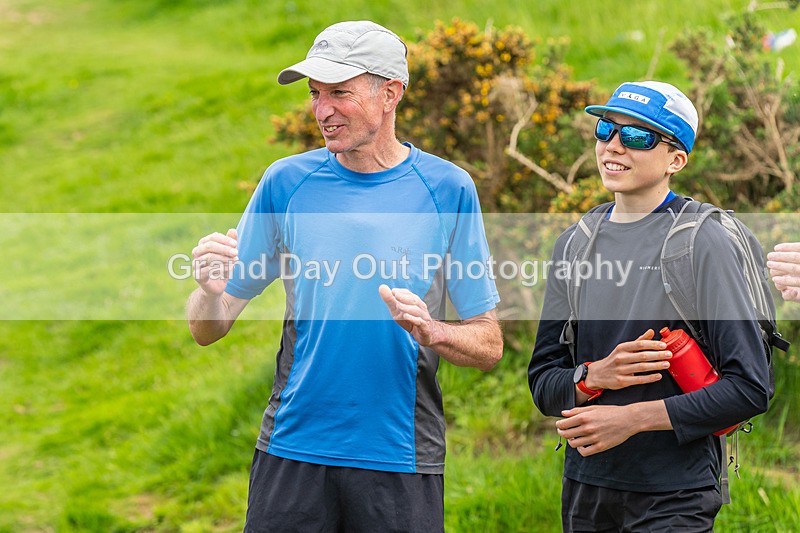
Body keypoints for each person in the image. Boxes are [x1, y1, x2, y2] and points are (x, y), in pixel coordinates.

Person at [186, 20, 502, 533]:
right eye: (315, 94)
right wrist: (207, 291)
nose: (322, 110)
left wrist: (433, 331)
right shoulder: (286, 183)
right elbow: (209, 328)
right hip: (292, 449)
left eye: (339, 93)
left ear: (390, 94)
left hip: (399, 455)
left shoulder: (448, 189)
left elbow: (489, 345)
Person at [528, 81, 770, 532]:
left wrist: (632, 419)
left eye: (638, 136)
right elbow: (543, 384)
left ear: (676, 160)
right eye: (606, 129)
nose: (614, 146)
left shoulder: (703, 241)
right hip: (586, 489)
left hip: (674, 495)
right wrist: (593, 376)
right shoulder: (575, 244)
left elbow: (750, 389)